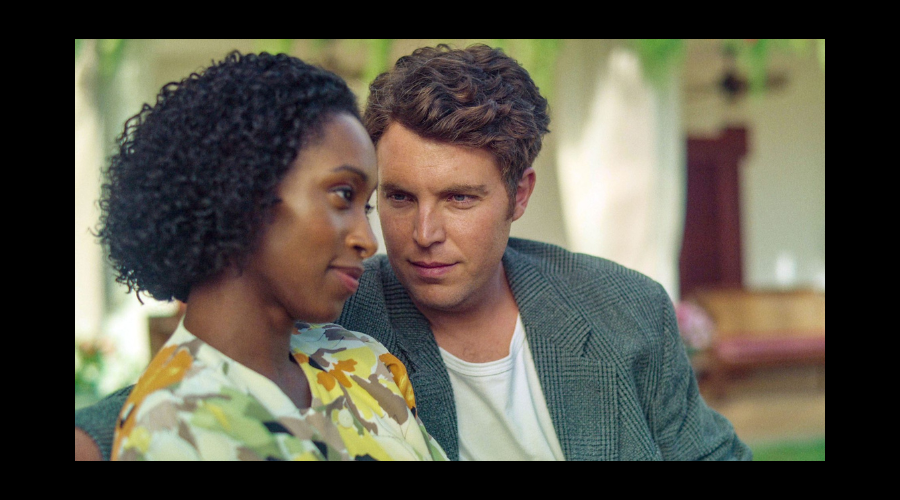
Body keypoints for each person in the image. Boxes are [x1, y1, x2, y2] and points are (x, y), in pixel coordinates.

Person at [77, 43, 751, 461]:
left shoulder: (620, 305)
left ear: (519, 197)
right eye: (396, 198)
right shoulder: (341, 304)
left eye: (459, 199)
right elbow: (196, 381)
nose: (419, 234)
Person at [79, 50, 447, 461]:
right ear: (241, 190)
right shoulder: (173, 434)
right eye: (343, 195)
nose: (368, 240)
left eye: (367, 207)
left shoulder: (363, 362)